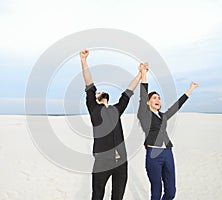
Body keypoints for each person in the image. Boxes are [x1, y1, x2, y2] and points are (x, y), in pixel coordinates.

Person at [80, 49, 142, 200]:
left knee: (118, 197)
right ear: (94, 99)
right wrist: (83, 61)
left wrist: (140, 74)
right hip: (102, 161)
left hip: (121, 161)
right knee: (97, 195)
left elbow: (129, 91)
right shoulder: (94, 109)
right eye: (97, 93)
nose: (99, 92)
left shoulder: (116, 109)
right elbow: (89, 82)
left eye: (98, 92)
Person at [137, 64, 199, 200]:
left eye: (159, 98)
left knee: (171, 192)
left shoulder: (163, 116)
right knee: (156, 192)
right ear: (148, 103)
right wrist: (143, 73)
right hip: (153, 155)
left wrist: (191, 89)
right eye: (154, 98)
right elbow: (142, 95)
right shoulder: (144, 114)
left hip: (167, 153)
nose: (157, 100)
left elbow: (177, 106)